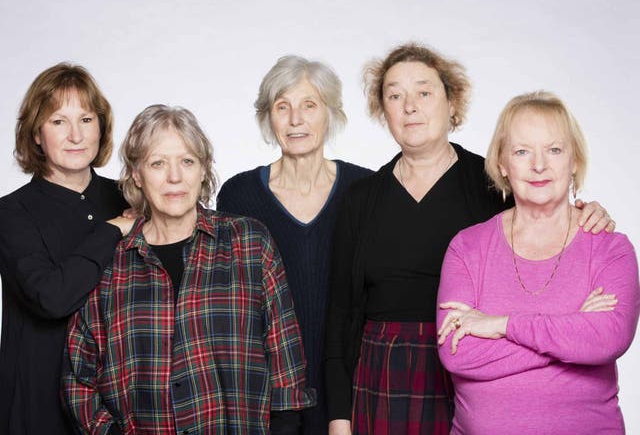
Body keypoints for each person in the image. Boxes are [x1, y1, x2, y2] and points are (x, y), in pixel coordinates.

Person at [324, 43, 615, 435]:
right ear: (384, 111)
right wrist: (340, 421)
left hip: (477, 367)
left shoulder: (494, 186)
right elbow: (341, 320)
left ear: (451, 101)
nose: (410, 106)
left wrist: (588, 213)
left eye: (424, 92)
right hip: (383, 376)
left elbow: (549, 219)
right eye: (395, 95)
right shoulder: (360, 199)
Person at [62, 105, 316, 434]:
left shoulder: (249, 241)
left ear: (202, 170)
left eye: (187, 161)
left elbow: (285, 356)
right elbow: (78, 377)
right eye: (157, 163)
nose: (174, 177)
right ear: (137, 175)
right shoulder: (110, 263)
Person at [436, 91, 639, 434]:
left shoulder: (610, 248)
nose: (539, 165)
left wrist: (501, 325)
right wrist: (573, 329)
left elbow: (608, 339)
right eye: (522, 151)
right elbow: (459, 354)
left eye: (554, 149)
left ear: (574, 160)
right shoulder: (467, 247)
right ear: (502, 164)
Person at [217, 55, 371, 434]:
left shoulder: (365, 190)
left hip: (351, 390)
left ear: (330, 114)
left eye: (309, 105)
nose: (295, 119)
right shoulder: (237, 195)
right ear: (267, 118)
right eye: (282, 107)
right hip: (264, 396)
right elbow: (229, 307)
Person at [0, 63, 133, 434]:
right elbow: (51, 297)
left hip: (116, 401)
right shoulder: (11, 214)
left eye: (86, 119)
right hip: (40, 403)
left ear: (101, 127)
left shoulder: (128, 197)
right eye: (58, 121)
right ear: (37, 134)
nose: (75, 135)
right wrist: (111, 230)